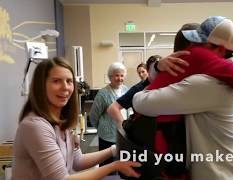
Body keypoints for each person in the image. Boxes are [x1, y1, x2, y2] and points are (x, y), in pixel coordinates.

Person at [133, 16, 233, 180]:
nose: (195, 50)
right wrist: (158, 67)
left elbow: (141, 103)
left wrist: (159, 70)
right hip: (225, 170)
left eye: (200, 44)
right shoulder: (218, 77)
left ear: (219, 49)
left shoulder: (202, 83)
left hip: (219, 174)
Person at [12, 57, 141, 180]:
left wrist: (114, 149)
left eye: (69, 81)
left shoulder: (61, 122)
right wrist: (114, 166)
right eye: (56, 81)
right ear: (41, 86)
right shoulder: (35, 126)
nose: (65, 87)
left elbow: (77, 161)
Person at [90, 62, 130, 167]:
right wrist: (101, 128)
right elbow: (94, 116)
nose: (119, 78)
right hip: (107, 136)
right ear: (110, 77)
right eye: (116, 75)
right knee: (107, 165)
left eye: (122, 75)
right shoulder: (103, 94)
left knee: (122, 165)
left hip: (123, 135)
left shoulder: (126, 90)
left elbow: (128, 110)